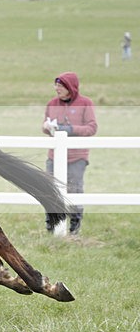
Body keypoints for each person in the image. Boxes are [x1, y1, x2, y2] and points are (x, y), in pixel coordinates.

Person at [41, 72, 98, 235]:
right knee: (50, 190)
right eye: (56, 85)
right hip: (54, 156)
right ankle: (52, 225)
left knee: (74, 190)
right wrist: (48, 127)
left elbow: (92, 127)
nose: (56, 89)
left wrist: (70, 130)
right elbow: (44, 126)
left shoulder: (85, 103)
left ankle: (74, 228)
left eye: (60, 86)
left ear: (70, 87)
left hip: (77, 157)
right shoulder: (52, 103)